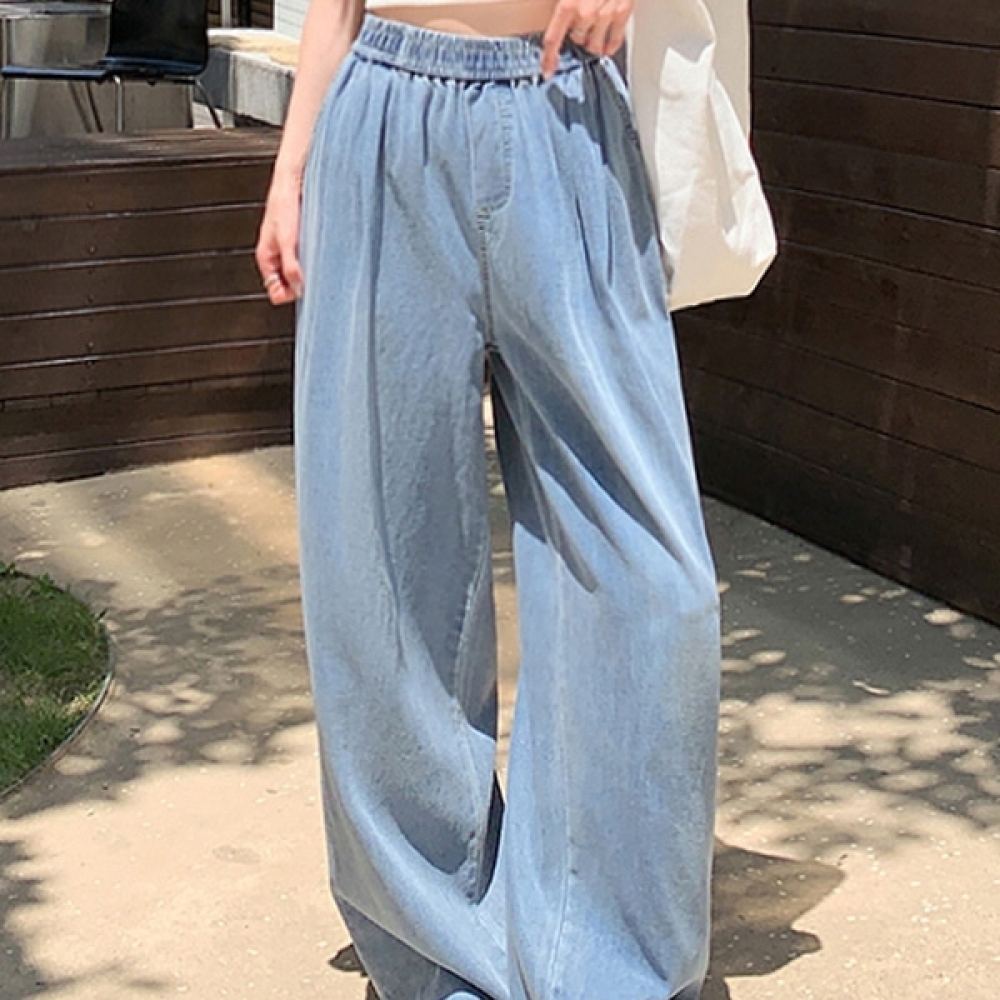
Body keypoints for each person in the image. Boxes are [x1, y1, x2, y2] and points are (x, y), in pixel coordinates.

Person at [255, 2, 722, 998]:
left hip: (565, 111)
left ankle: (610, 963)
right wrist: (292, 166)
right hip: (378, 111)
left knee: (648, 576)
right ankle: (436, 951)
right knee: (380, 560)